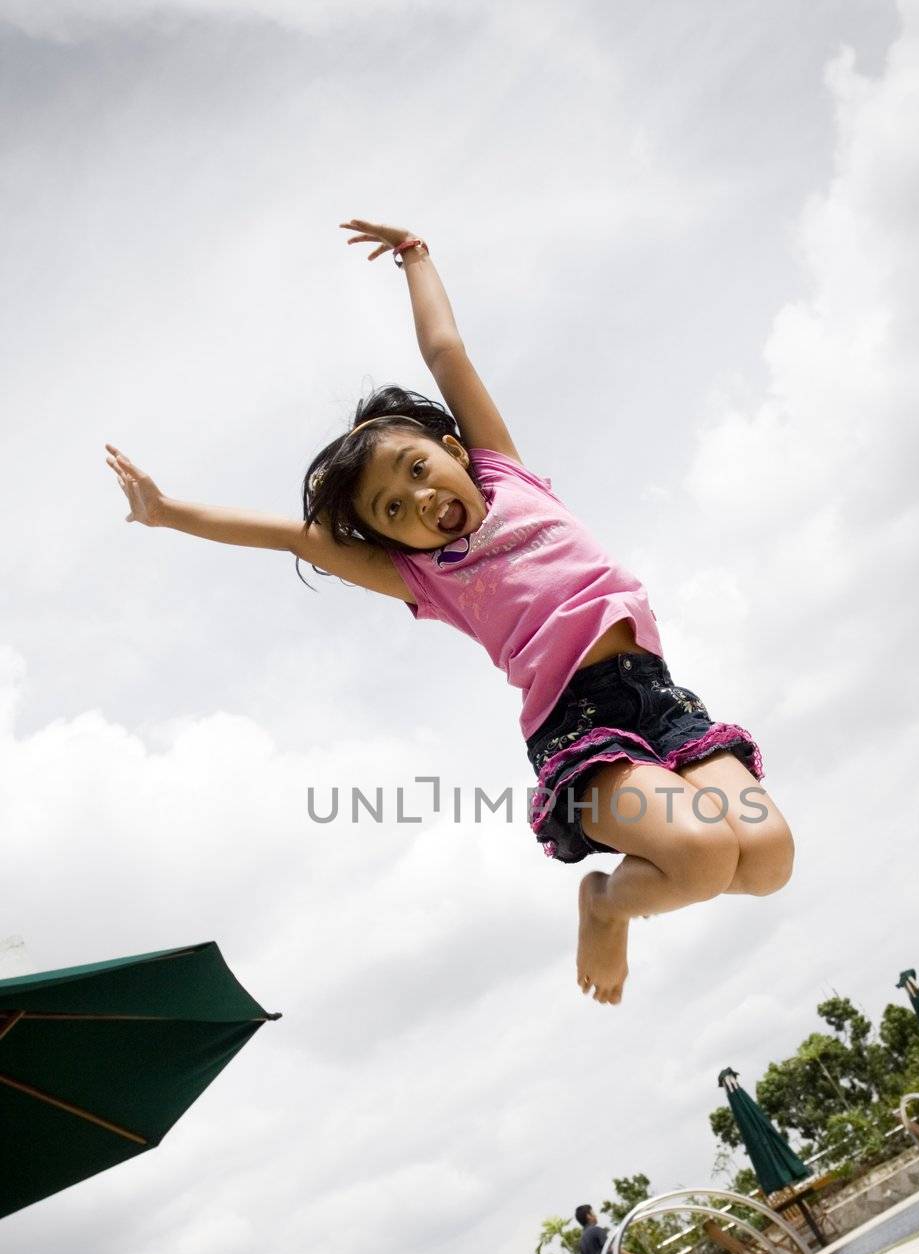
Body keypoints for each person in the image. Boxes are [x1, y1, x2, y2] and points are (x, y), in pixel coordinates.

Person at [106, 217, 794, 1005]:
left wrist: (416, 259)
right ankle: (603, 904)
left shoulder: (507, 476)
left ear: (453, 447)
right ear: (385, 537)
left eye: (419, 470)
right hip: (582, 730)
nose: (421, 500)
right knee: (702, 857)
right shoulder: (425, 577)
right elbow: (284, 536)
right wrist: (165, 512)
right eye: (391, 508)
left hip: (662, 700)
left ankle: (640, 885)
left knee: (766, 859)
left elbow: (446, 355)